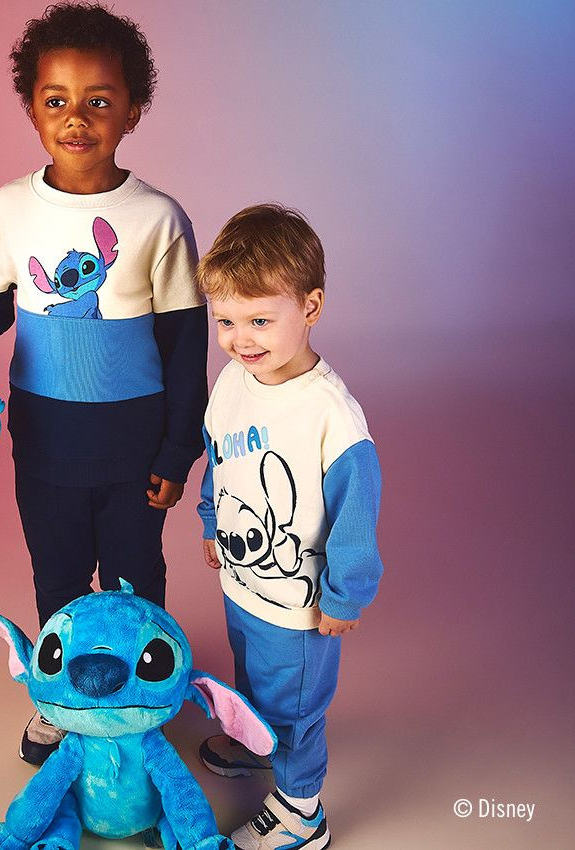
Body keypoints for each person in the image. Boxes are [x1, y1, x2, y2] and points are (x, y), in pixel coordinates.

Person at [0, 4, 207, 765]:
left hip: (134, 449)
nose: (76, 118)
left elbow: (185, 346)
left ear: (133, 110)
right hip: (46, 444)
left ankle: (139, 697)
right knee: (56, 573)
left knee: (134, 575)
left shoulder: (157, 218)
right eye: (56, 100)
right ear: (31, 107)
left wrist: (176, 451)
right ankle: (62, 696)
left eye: (99, 100)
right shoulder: (10, 208)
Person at [196, 205, 384, 850]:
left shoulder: (330, 414)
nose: (240, 339)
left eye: (259, 320)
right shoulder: (234, 381)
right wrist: (211, 519)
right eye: (225, 321)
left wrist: (345, 595)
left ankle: (302, 810)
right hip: (244, 587)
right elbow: (217, 457)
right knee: (253, 680)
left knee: (295, 708)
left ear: (310, 306)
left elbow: (356, 513)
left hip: (300, 607)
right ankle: (257, 745)